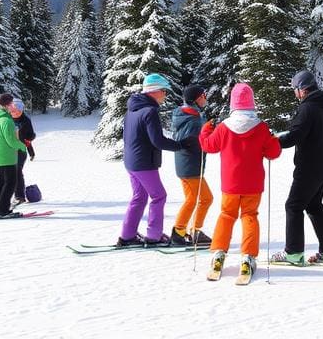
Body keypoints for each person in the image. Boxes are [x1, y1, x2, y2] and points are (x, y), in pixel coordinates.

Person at [199, 82, 281, 280]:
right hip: (253, 184)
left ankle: (218, 253)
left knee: (227, 215)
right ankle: (247, 257)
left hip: (230, 184)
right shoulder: (261, 127)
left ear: (232, 104)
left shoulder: (224, 127)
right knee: (249, 216)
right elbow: (273, 152)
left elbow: (208, 146)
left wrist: (205, 130)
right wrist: (273, 139)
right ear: (252, 103)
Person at [271, 70, 323, 267]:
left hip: (310, 168)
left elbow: (295, 135)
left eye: (295, 89)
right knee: (314, 206)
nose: (295, 93)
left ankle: (293, 253)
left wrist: (273, 142)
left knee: (293, 206)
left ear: (302, 89)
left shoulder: (308, 108)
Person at [117, 73, 192, 247]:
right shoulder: (149, 111)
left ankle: (127, 235)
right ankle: (154, 236)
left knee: (139, 197)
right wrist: (180, 145)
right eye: (164, 91)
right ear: (155, 91)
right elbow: (157, 140)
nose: (165, 95)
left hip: (131, 161)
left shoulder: (132, 109)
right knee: (159, 196)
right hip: (144, 163)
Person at [170, 84, 213, 246]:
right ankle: (179, 232)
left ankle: (195, 231)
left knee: (205, 198)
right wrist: (209, 135)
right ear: (195, 99)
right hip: (189, 166)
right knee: (193, 199)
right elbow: (191, 142)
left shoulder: (191, 115)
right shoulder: (192, 119)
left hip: (190, 164)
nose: (205, 99)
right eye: (203, 96)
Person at [0, 93, 28, 219]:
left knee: (1, 180)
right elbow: (11, 140)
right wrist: (22, 146)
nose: (13, 106)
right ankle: (2, 211)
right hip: (7, 155)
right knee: (10, 182)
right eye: (11, 104)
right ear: (6, 105)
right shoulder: (6, 120)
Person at [9, 99, 35, 205]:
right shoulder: (7, 119)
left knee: (17, 171)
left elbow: (30, 136)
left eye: (18, 111)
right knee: (11, 173)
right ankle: (12, 194)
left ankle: (20, 196)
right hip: (8, 150)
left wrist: (31, 152)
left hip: (20, 150)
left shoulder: (25, 120)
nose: (16, 113)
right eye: (14, 111)